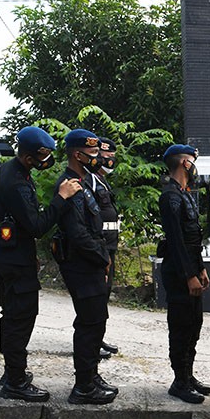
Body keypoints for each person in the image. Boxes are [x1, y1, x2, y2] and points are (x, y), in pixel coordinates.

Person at [0, 126, 82, 402]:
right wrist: (61, 198)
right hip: (14, 262)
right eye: (43, 157)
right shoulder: (17, 183)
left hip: (7, 255)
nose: (48, 161)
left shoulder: (9, 169)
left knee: (11, 316)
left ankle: (11, 372)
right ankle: (16, 382)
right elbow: (37, 226)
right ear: (29, 157)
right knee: (20, 319)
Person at [55, 129, 117, 405]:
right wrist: (102, 258)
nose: (97, 158)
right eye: (92, 153)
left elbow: (94, 227)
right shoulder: (69, 185)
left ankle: (91, 376)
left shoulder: (84, 182)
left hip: (91, 263)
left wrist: (103, 257)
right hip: (82, 265)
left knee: (96, 321)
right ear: (77, 155)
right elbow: (78, 234)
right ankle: (83, 387)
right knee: (89, 325)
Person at [159, 144, 210, 404]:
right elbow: (176, 242)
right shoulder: (170, 196)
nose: (195, 167)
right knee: (181, 327)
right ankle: (179, 381)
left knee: (194, 325)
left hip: (191, 269)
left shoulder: (185, 194)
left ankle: (188, 376)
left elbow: (193, 239)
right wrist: (189, 275)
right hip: (179, 273)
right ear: (185, 163)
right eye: (193, 161)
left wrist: (200, 268)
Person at [87, 137, 120, 360]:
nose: (110, 162)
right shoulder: (90, 180)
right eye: (107, 157)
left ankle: (98, 338)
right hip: (100, 249)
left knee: (104, 296)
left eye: (112, 158)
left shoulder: (102, 181)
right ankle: (91, 343)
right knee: (96, 298)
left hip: (110, 246)